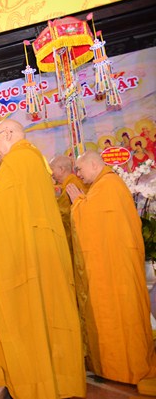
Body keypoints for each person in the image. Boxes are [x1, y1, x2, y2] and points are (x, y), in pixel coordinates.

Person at [0, 119, 85, 399]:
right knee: (47, 314)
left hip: (24, 255)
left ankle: (33, 383)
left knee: (26, 317)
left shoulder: (16, 161)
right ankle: (56, 379)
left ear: (8, 134)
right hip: (43, 250)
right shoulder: (37, 161)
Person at [66, 150, 156, 386]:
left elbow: (93, 221)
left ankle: (123, 368)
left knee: (119, 314)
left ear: (94, 165)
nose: (78, 174)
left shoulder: (108, 186)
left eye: (80, 169)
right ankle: (113, 366)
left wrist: (79, 204)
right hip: (113, 265)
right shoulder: (103, 186)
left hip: (114, 268)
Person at [49, 155, 87, 256]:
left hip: (76, 235)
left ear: (61, 169)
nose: (51, 173)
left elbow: (63, 214)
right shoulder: (69, 183)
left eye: (52, 169)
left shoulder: (71, 185)